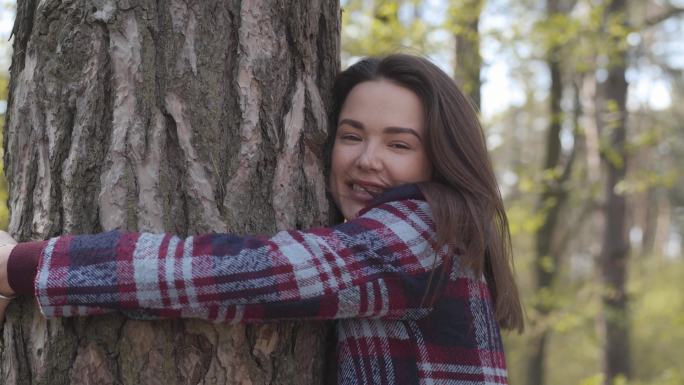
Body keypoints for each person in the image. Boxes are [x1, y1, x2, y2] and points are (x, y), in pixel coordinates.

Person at [0, 54, 523, 384]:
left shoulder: (424, 230)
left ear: (440, 157)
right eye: (351, 135)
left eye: (399, 143)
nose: (368, 159)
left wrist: (22, 265)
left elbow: (251, 274)